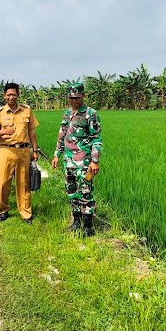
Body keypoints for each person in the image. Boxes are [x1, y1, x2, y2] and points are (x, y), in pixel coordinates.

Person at [51, 82, 102, 237]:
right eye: (71, 97)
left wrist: (94, 160)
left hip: (84, 161)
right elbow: (62, 134)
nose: (74, 100)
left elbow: (96, 138)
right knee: (71, 191)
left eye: (77, 97)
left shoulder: (90, 114)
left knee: (85, 192)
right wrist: (57, 154)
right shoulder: (66, 113)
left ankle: (87, 227)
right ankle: (76, 222)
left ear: (83, 96)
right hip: (68, 160)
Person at [0, 82, 39, 223]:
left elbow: (31, 131)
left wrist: (35, 150)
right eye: (8, 95)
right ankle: (3, 210)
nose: (11, 97)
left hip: (23, 151)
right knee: (3, 182)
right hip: (6, 150)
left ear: (18, 95)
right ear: (4, 96)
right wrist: (4, 131)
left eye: (14, 94)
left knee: (23, 183)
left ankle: (26, 213)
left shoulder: (26, 111)